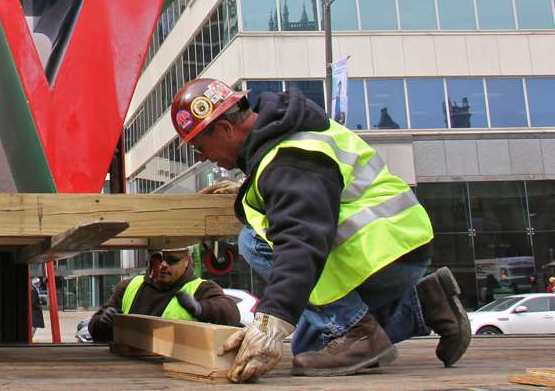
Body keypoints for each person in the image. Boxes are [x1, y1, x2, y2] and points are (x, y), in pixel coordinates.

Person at [171, 78, 471, 382]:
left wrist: (270, 324)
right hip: (396, 248)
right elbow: (310, 192)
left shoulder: (290, 159)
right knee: (310, 346)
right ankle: (425, 304)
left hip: (382, 250)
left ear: (224, 129)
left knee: (253, 240)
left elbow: (300, 241)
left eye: (200, 146)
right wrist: (249, 188)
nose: (203, 157)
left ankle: (359, 333)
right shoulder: (287, 137)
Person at [88, 245, 240, 343]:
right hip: (128, 370)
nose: (163, 265)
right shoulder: (129, 286)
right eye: (158, 259)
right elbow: (96, 332)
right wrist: (102, 323)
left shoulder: (202, 288)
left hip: (175, 372)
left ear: (187, 261)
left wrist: (201, 308)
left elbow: (231, 315)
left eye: (171, 260)